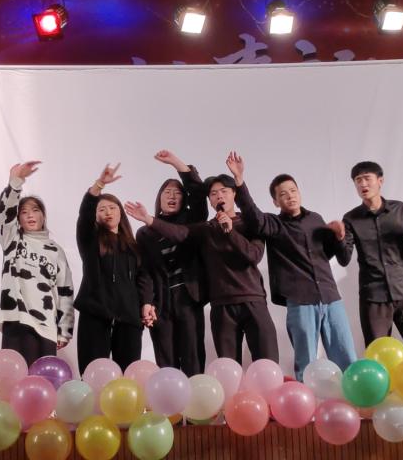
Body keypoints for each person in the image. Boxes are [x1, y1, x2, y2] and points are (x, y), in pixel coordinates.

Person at [225, 152, 357, 380]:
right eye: (283, 194)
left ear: (299, 193)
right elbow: (253, 215)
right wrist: (239, 180)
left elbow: (338, 257)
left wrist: (339, 237)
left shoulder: (315, 219)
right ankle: (305, 401)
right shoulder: (274, 224)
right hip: (300, 300)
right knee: (306, 361)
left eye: (293, 191)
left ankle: (353, 397)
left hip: (330, 297)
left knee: (346, 355)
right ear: (276, 201)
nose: (290, 196)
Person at [126, 174, 278, 364]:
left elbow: (253, 255)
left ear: (234, 194)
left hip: (253, 299)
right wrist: (148, 219)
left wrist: (230, 231)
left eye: (224, 191)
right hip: (219, 304)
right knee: (227, 366)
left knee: (267, 362)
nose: (219, 196)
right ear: (210, 200)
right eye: (213, 193)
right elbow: (181, 233)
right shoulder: (206, 228)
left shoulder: (252, 224)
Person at [337, 161, 403, 359]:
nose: (363, 184)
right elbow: (344, 259)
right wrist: (339, 238)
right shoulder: (350, 218)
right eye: (358, 180)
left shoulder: (400, 210)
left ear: (380, 181)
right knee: (377, 355)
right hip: (373, 297)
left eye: (367, 178)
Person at [0, 161, 75, 365]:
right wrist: (15, 182)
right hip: (16, 318)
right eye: (24, 212)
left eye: (35, 210)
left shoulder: (55, 250)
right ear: (18, 218)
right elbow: (3, 216)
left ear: (43, 216)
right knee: (14, 377)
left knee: (43, 378)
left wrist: (64, 330)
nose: (30, 215)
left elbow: (65, 290)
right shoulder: (12, 239)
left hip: (46, 325)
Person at [135, 150, 208, 376]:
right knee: (166, 360)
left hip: (188, 297)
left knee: (193, 357)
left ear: (184, 199)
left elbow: (198, 193)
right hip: (161, 301)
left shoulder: (191, 220)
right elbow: (145, 271)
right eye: (167, 192)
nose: (172, 196)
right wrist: (147, 302)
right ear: (159, 199)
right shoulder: (145, 233)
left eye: (177, 192)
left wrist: (177, 163)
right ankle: (170, 400)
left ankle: (195, 400)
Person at [75, 163, 153, 373]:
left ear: (121, 213)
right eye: (101, 209)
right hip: (95, 314)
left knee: (128, 374)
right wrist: (99, 185)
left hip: (129, 318)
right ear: (96, 215)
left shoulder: (134, 246)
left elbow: (143, 277)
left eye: (112, 208)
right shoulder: (90, 240)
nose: (107, 212)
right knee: (93, 372)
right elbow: (85, 214)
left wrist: (146, 303)